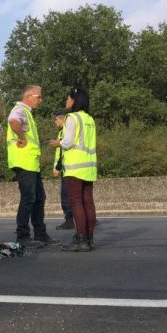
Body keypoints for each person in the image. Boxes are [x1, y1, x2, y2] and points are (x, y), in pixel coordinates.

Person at [6, 86, 61, 248]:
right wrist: (21, 137)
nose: (41, 100)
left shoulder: (27, 112)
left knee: (38, 198)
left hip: (30, 163)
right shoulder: (20, 109)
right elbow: (13, 121)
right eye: (39, 97)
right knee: (29, 198)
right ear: (28, 96)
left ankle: (40, 234)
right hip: (24, 161)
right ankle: (23, 236)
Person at [49, 87, 97, 252]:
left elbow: (68, 142)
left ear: (74, 100)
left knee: (76, 202)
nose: (66, 101)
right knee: (88, 202)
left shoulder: (72, 118)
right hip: (89, 166)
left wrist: (57, 143)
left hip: (75, 167)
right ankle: (89, 238)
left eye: (68, 98)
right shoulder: (89, 119)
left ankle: (81, 239)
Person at [52, 109, 74, 230]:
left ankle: (70, 221)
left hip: (67, 168)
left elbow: (62, 151)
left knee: (66, 196)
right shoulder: (63, 131)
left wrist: (57, 167)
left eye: (55, 119)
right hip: (70, 167)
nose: (55, 122)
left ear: (61, 119)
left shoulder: (65, 131)